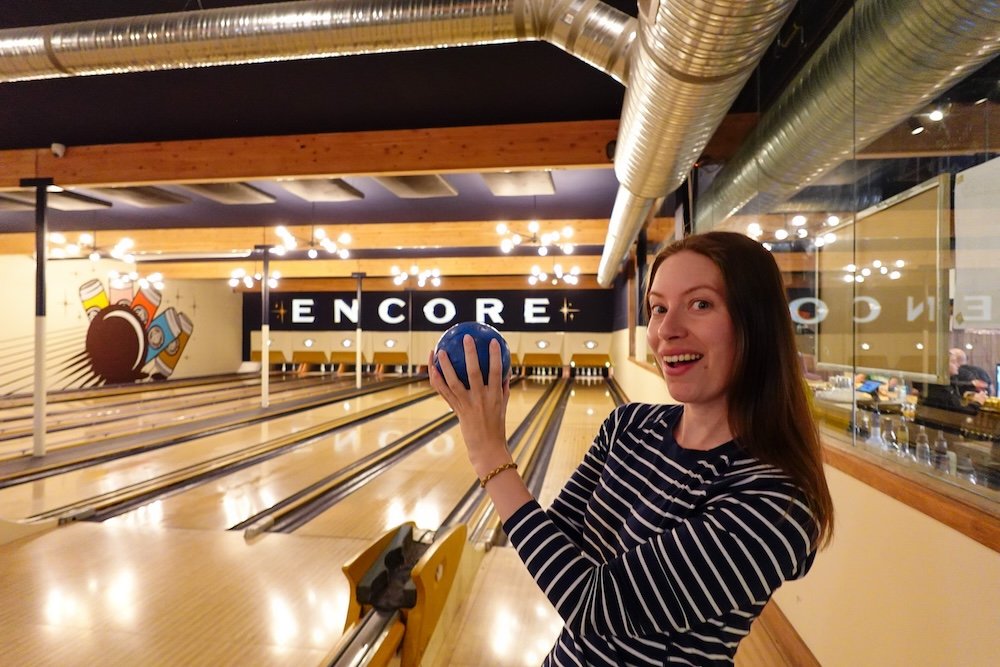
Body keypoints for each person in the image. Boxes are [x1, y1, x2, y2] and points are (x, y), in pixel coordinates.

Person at [430, 231, 834, 666]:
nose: (667, 330)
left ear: (756, 321)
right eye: (658, 308)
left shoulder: (778, 502)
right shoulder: (627, 426)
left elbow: (591, 604)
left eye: (700, 304)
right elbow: (559, 541)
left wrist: (490, 452)